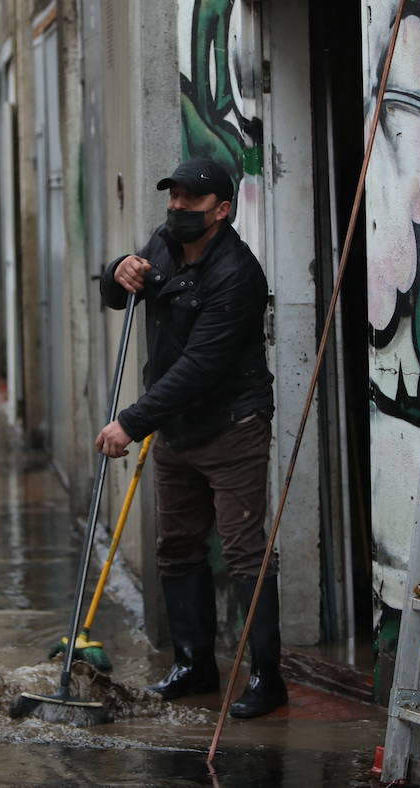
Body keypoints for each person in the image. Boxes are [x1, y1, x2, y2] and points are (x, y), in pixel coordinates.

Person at [96, 157, 286, 719]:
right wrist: (117, 270)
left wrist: (131, 421)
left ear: (222, 211)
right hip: (177, 429)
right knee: (177, 548)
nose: (178, 209)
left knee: (245, 553)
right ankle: (193, 664)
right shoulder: (162, 244)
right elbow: (118, 294)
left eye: (191, 201)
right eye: (173, 198)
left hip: (232, 427)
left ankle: (267, 679)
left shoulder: (238, 275)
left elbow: (199, 367)